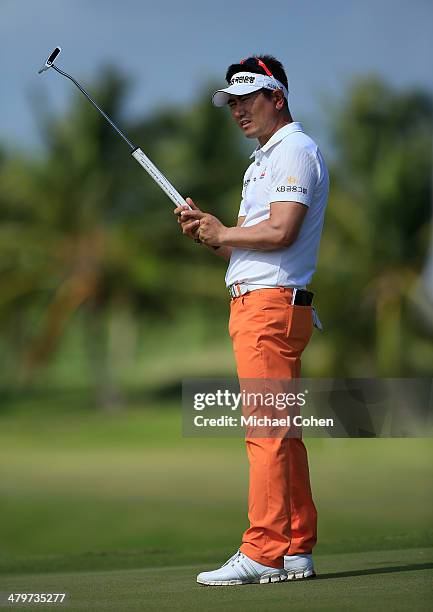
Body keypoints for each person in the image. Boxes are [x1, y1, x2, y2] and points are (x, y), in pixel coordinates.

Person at [175, 55, 329, 586]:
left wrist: (226, 232)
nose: (238, 110)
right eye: (231, 102)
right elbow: (247, 250)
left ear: (277, 98)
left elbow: (282, 231)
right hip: (259, 300)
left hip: (270, 309)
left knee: (266, 432)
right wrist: (209, 233)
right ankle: (294, 547)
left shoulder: (295, 151)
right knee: (281, 433)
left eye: (248, 98)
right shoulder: (263, 160)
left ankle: (262, 551)